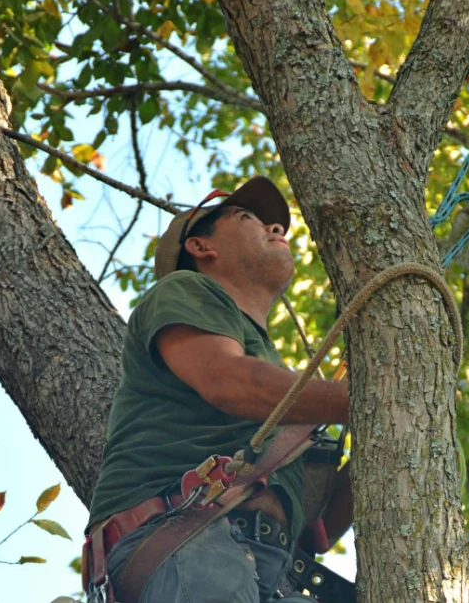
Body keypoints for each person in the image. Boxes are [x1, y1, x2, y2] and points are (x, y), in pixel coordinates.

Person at [85, 177, 352, 603]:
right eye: (249, 218)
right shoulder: (185, 290)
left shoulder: (272, 368)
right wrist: (363, 401)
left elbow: (316, 534)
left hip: (268, 565)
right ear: (201, 247)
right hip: (183, 543)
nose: (276, 228)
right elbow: (224, 379)